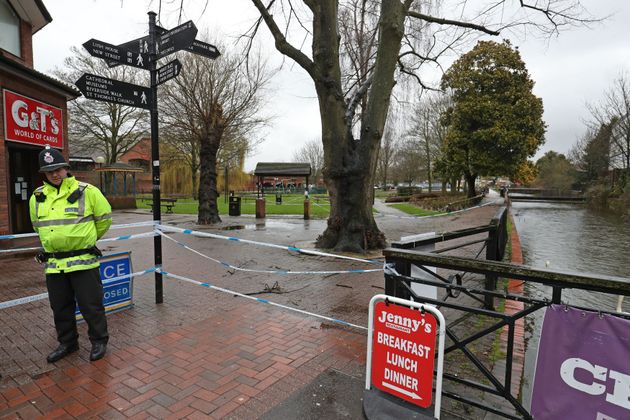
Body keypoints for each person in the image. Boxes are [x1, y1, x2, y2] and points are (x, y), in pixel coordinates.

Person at [29, 145, 112, 363]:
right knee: (60, 308)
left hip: (83, 261)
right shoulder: (36, 197)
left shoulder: (88, 191)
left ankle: (99, 341)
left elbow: (104, 221)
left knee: (90, 305)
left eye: (58, 169)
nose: (55, 174)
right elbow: (38, 226)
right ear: (44, 174)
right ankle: (68, 343)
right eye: (49, 171)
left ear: (66, 168)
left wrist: (86, 241)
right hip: (55, 264)